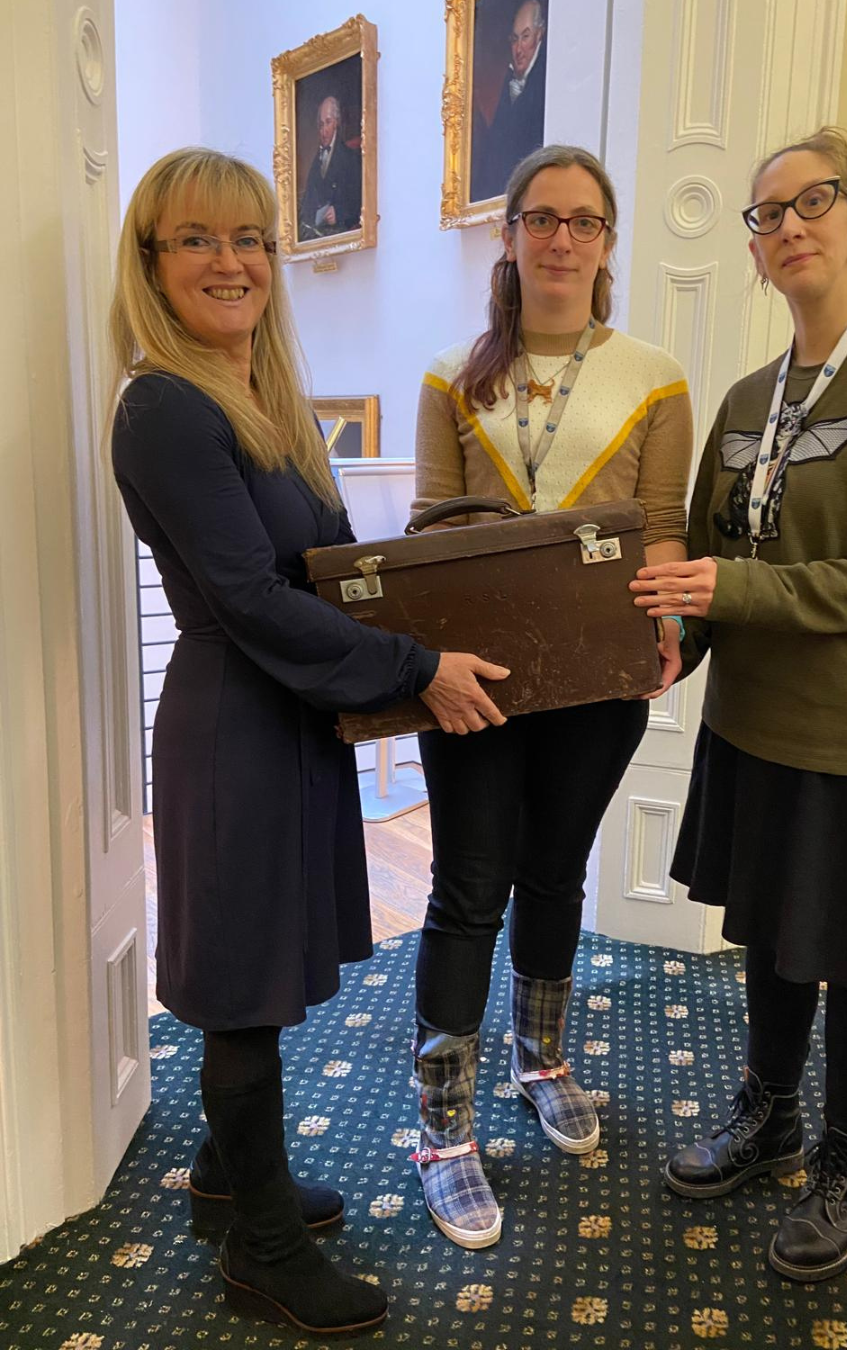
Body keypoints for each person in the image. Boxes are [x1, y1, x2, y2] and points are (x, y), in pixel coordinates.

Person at [108, 147, 505, 1336]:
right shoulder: (164, 406)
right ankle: (262, 1251)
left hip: (293, 717)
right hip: (234, 724)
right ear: (152, 263)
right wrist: (417, 668)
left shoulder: (263, 398)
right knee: (241, 986)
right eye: (198, 238)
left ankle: (227, 1181)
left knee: (266, 957)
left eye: (250, 239)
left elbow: (330, 569)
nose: (230, 261)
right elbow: (248, 597)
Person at [631, 126, 847, 1283]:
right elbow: (710, 568)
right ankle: (769, 1112)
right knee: (775, 935)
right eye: (767, 213)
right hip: (752, 723)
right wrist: (662, 649)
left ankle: (844, 1161)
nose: (788, 226)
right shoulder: (743, 401)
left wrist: (730, 592)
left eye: (812, 201)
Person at [410, 143, 694, 1249]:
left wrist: (665, 627)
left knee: (556, 869)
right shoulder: (451, 375)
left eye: (584, 221)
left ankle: (541, 1061)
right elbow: (431, 530)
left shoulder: (654, 376)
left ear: (607, 241)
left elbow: (661, 523)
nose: (562, 239)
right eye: (542, 219)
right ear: (510, 234)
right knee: (467, 888)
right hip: (473, 682)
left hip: (594, 675)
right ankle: (442, 1131)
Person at [471, 0, 547, 203]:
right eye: (515, 39)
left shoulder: (544, 81)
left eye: (525, 37)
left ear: (539, 35)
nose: (518, 48)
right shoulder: (509, 81)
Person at [298, 94, 362, 239]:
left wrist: (338, 213)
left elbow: (360, 201)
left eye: (328, 122)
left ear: (336, 123)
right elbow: (309, 199)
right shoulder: (316, 160)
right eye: (321, 125)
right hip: (316, 235)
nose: (324, 130)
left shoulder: (350, 158)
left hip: (340, 234)